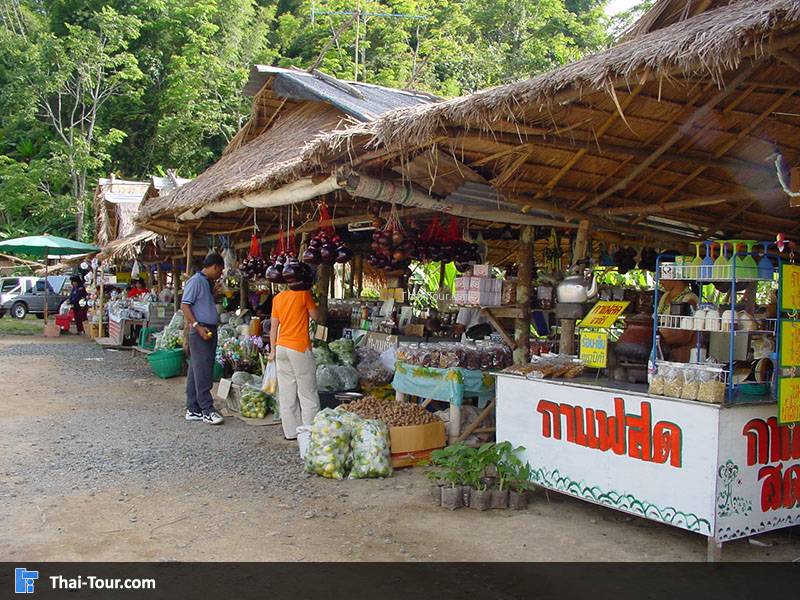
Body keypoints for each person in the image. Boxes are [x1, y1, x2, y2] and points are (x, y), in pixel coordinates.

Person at [268, 288, 321, 440]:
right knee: (307, 392)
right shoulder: (304, 293)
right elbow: (315, 317)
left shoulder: (278, 298)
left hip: (281, 347)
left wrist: (272, 349)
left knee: (286, 393)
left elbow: (273, 326)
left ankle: (291, 432)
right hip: (299, 347)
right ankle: (310, 431)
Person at [181, 253, 225, 425]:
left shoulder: (206, 283)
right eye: (220, 270)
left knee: (195, 370)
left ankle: (193, 408)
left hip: (207, 328)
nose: (220, 274)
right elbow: (185, 305)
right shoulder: (196, 281)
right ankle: (207, 409)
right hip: (202, 330)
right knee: (204, 371)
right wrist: (197, 326)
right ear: (214, 266)